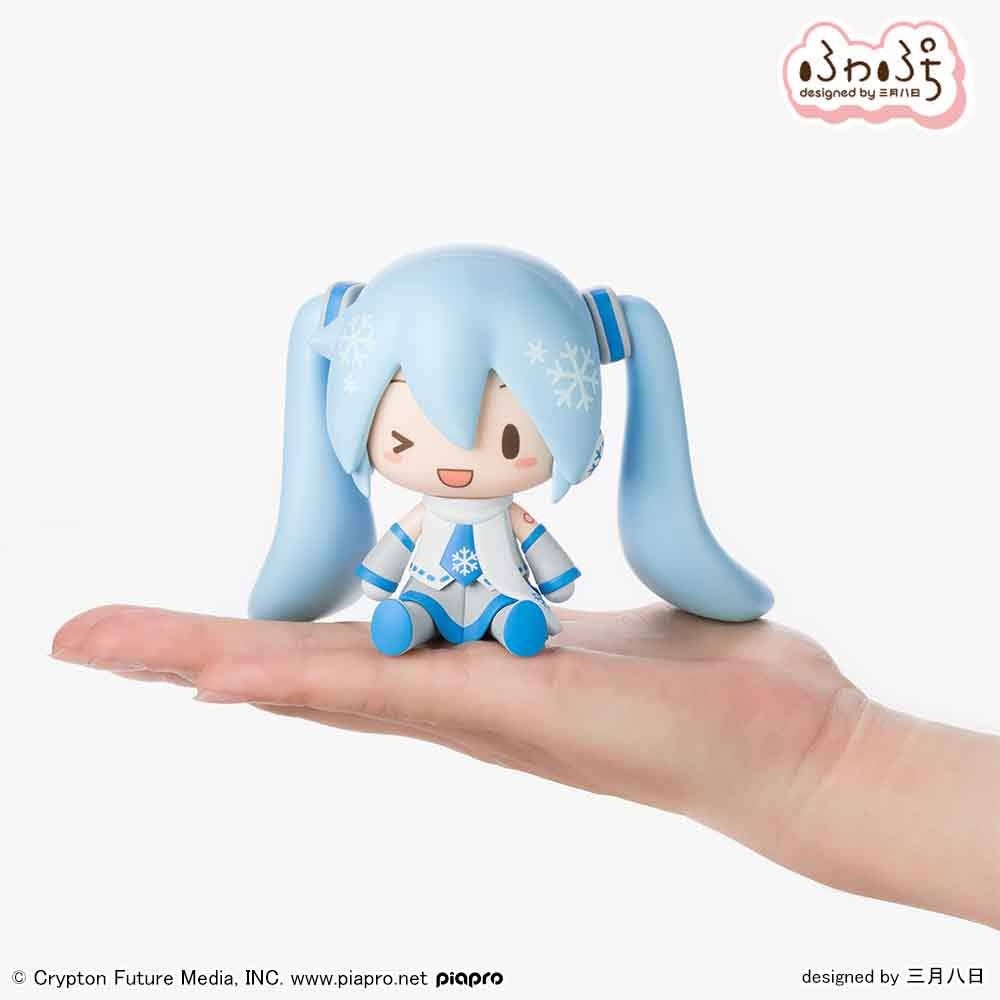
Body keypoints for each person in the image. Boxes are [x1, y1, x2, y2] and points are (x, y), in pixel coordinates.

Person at [51, 601, 1000, 929]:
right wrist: (835, 764)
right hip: (434, 594)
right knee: (415, 610)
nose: (456, 462)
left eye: (509, 439)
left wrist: (828, 762)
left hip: (507, 599)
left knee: (511, 611)